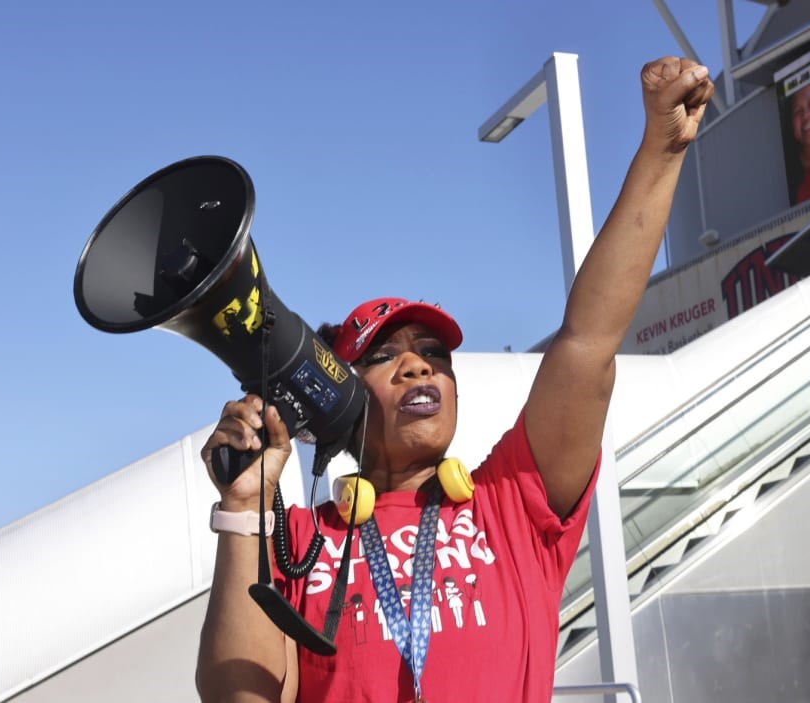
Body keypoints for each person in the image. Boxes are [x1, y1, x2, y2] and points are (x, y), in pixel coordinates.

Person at [195, 55, 714, 703]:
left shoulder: (511, 505)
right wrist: (243, 508)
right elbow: (235, 694)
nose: (419, 365)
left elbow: (587, 343)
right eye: (385, 356)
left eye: (434, 352)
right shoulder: (298, 541)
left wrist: (661, 151)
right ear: (338, 392)